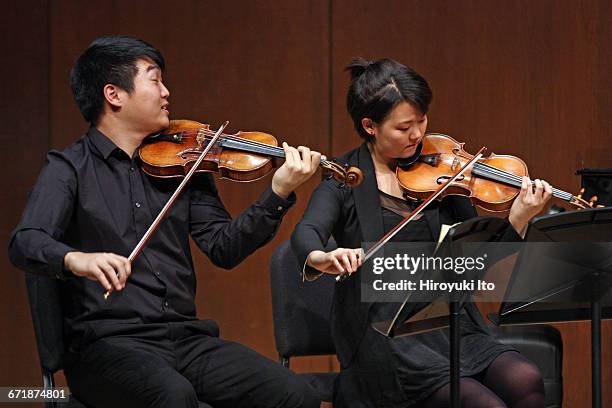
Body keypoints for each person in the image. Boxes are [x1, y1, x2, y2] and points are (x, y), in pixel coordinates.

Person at [9, 36, 322, 408]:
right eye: (154, 80)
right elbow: (25, 241)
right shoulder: (68, 168)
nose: (166, 92)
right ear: (114, 94)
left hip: (186, 340)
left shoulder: (184, 164)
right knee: (173, 396)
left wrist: (278, 193)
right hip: (107, 346)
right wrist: (78, 259)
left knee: (295, 395)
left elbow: (224, 247)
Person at [291, 58, 553, 408]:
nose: (417, 135)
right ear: (370, 126)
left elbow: (476, 266)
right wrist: (321, 257)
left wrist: (518, 220)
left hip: (451, 325)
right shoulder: (344, 180)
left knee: (527, 381)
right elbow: (306, 231)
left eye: (421, 121)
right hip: (386, 336)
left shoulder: (445, 176)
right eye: (403, 128)